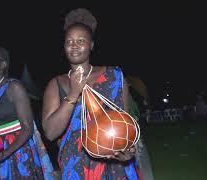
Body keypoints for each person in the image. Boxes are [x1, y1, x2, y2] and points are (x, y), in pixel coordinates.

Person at [42, 8, 141, 179]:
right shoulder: (56, 84)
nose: (74, 46)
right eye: (69, 41)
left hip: (114, 164)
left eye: (81, 41)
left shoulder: (114, 76)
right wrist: (73, 94)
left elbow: (125, 124)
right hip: (76, 165)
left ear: (92, 45)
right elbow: (50, 132)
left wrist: (128, 151)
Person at [0, 46, 54, 179]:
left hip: (15, 151)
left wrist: (3, 154)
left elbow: (27, 128)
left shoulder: (14, 88)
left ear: (3, 65)